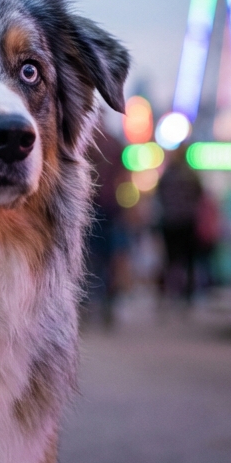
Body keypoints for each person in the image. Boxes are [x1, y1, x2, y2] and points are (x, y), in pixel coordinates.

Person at [83, 124, 127, 328]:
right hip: (111, 208)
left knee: (87, 259)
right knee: (108, 259)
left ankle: (88, 306)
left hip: (89, 207)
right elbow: (124, 177)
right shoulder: (115, 143)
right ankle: (107, 306)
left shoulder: (88, 141)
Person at [158, 147, 204, 306]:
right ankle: (187, 295)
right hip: (186, 222)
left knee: (170, 260)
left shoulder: (167, 176)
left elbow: (159, 194)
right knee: (188, 260)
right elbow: (200, 194)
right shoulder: (190, 175)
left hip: (170, 222)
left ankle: (169, 293)